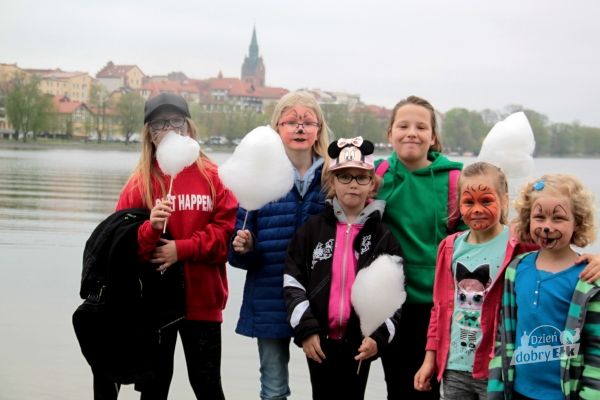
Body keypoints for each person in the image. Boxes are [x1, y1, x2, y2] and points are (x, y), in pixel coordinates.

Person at [113, 93, 237, 400]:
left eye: (175, 122)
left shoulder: (215, 178)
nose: (168, 130)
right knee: (154, 389)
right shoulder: (139, 183)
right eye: (159, 123)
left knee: (207, 386)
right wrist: (149, 229)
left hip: (203, 302)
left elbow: (226, 239)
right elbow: (120, 248)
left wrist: (180, 249)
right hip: (153, 306)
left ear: (189, 128)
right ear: (149, 133)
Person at [283, 137, 405, 400]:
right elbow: (293, 282)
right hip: (319, 341)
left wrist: (378, 338)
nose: (353, 184)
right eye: (345, 177)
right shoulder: (311, 230)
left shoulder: (384, 237)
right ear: (332, 182)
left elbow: (397, 296)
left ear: (372, 183)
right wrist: (306, 329)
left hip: (360, 343)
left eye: (361, 178)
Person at [228, 91, 331, 400]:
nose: (300, 128)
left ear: (318, 130)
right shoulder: (258, 178)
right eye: (291, 121)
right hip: (270, 294)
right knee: (273, 387)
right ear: (276, 130)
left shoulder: (331, 178)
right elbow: (238, 254)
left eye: (307, 122)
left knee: (326, 385)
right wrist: (245, 247)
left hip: (319, 298)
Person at [413, 162, 536, 399]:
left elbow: (559, 260)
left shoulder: (519, 245)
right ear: (458, 204)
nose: (477, 209)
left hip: (497, 367)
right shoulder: (449, 248)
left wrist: (593, 261)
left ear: (504, 200)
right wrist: (430, 358)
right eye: (469, 202)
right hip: (454, 367)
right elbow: (438, 310)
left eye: (486, 201)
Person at [375, 95, 466, 400]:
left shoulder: (454, 180)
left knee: (427, 388)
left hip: (436, 306)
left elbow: (477, 240)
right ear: (390, 134)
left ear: (433, 136)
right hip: (390, 304)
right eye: (403, 125)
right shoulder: (377, 177)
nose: (411, 132)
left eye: (421, 126)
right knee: (397, 388)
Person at [488, 174, 600, 400]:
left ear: (577, 222)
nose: (547, 226)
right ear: (528, 219)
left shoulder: (587, 279)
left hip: (565, 394)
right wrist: (496, 390)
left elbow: (596, 348)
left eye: (558, 218)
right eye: (539, 217)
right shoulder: (516, 269)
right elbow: (504, 336)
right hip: (518, 390)